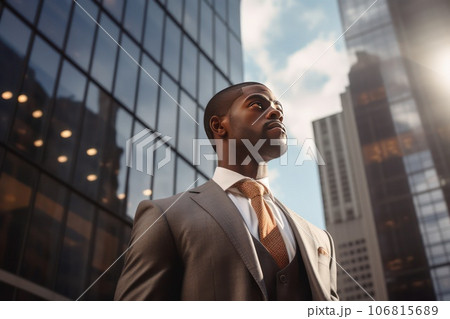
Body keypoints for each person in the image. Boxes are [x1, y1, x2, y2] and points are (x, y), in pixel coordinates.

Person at [114, 82, 339, 301]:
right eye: (258, 105)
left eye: (279, 110)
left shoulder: (320, 239)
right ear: (219, 126)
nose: (275, 113)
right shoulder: (166, 216)